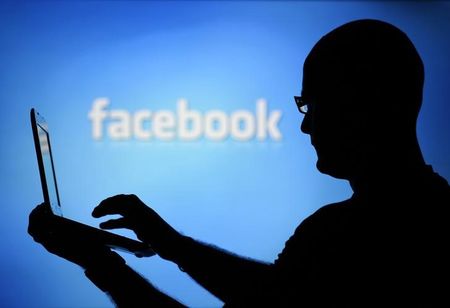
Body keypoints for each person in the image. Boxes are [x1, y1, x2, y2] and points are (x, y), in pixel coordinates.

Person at [29, 19, 449, 307]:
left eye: (311, 104)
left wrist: (101, 265)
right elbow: (276, 294)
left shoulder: (338, 235)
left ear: (365, 102)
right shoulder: (428, 216)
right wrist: (169, 243)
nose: (306, 128)